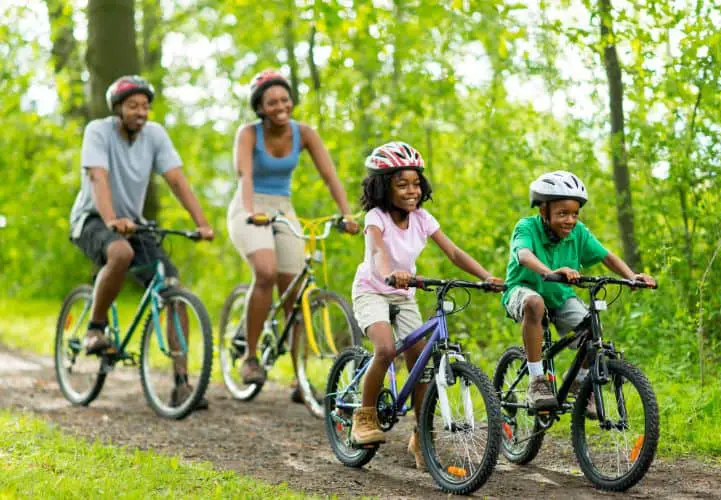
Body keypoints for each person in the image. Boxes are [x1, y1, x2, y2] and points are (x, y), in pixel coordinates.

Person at [348, 141, 503, 469]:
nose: (411, 190)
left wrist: (487, 277)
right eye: (401, 184)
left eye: (416, 183)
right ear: (382, 186)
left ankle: (422, 434)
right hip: (373, 290)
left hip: (404, 295)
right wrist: (391, 273)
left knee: (420, 360)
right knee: (386, 350)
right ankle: (364, 417)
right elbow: (378, 252)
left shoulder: (422, 218)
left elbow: (454, 253)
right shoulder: (376, 217)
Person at [69, 75, 215, 407]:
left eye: (146, 106)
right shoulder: (98, 131)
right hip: (92, 218)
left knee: (173, 290)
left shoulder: (155, 135)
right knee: (119, 252)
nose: (141, 112)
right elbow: (97, 176)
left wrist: (202, 223)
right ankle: (95, 328)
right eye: (133, 105)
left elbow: (176, 179)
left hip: (133, 224)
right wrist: (110, 220)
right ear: (118, 109)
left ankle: (182, 384)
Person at [227, 70, 359, 390]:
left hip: (284, 207)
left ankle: (300, 376)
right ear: (260, 108)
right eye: (271, 102)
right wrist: (251, 211)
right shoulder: (248, 134)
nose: (280, 106)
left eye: (285, 99)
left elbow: (330, 176)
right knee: (265, 272)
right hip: (250, 206)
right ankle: (251, 357)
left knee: (296, 291)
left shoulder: (305, 133)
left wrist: (347, 214)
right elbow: (245, 176)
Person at [501, 170, 656, 413]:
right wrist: (548, 271)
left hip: (560, 296)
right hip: (523, 290)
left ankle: (578, 382)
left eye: (574, 214)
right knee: (535, 303)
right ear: (544, 211)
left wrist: (632, 277)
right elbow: (523, 255)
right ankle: (537, 380)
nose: (570, 220)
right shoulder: (527, 227)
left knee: (593, 330)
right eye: (563, 213)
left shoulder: (578, 233)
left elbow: (607, 256)